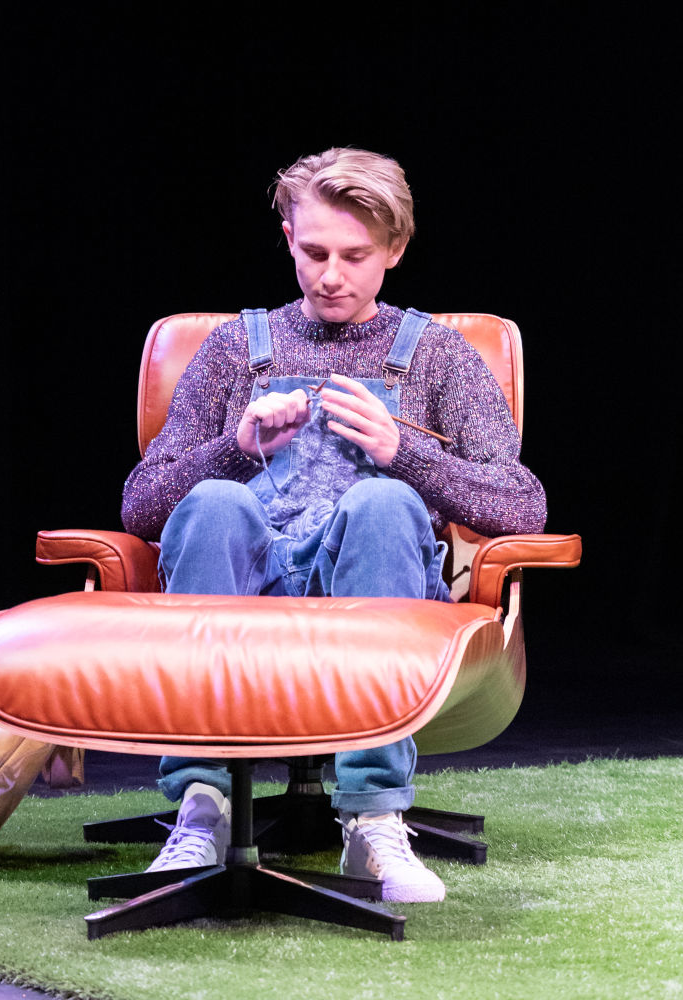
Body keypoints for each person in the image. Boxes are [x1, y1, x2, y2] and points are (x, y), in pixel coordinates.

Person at [121, 147, 546, 902]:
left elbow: (522, 505)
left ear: (394, 250)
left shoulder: (438, 356)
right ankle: (201, 808)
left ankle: (374, 820)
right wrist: (235, 449)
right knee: (215, 502)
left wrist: (403, 450)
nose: (331, 275)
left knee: (382, 503)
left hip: (371, 599)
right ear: (288, 237)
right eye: (314, 251)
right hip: (243, 599)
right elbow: (143, 505)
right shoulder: (234, 350)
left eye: (354, 256)